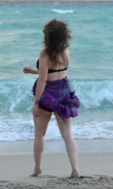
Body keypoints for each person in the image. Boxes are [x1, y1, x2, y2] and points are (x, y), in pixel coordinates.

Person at [23, 19, 80, 178]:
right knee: (68, 135)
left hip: (47, 95)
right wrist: (33, 71)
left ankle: (37, 168)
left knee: (40, 134)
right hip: (63, 93)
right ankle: (75, 169)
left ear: (47, 36)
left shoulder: (44, 53)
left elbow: (44, 79)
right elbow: (56, 72)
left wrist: (36, 103)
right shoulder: (66, 52)